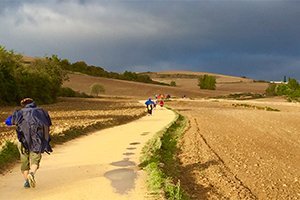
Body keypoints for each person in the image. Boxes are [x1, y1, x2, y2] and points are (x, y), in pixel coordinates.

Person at [5, 98, 52, 189]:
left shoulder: (19, 112)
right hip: (37, 140)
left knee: (24, 161)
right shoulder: (42, 111)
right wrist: (46, 141)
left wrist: (14, 115)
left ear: (23, 104)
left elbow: (8, 122)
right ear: (34, 103)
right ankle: (32, 173)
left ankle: (27, 181)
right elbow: (47, 125)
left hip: (22, 140)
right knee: (35, 160)